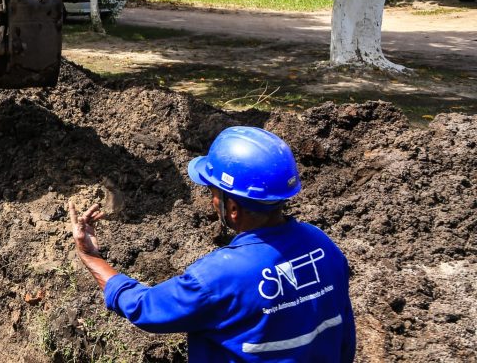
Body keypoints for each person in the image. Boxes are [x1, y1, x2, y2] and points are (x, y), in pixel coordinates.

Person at [68, 126, 355, 362]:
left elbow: (145, 307)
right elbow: (344, 336)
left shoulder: (220, 276)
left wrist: (91, 255)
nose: (210, 200)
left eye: (213, 192)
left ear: (232, 208)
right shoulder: (323, 246)